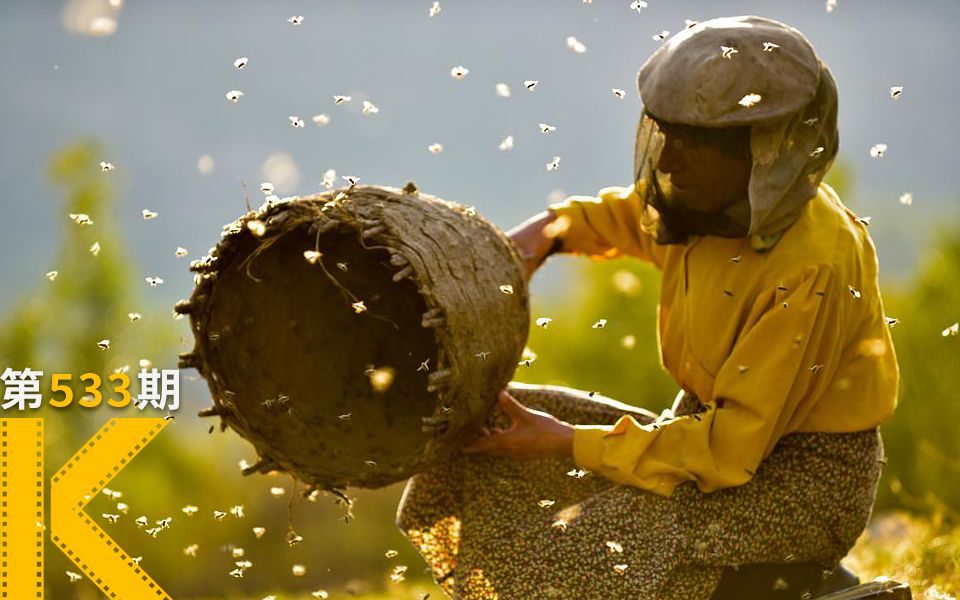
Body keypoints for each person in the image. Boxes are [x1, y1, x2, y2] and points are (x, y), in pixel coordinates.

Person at [396, 15, 899, 599]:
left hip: (795, 487)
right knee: (489, 436)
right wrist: (546, 235)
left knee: (576, 546)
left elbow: (727, 450)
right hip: (710, 444)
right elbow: (628, 217)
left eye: (690, 148)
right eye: (666, 139)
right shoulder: (713, 204)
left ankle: (797, 586)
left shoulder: (810, 267)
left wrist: (563, 441)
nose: (666, 165)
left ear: (759, 153)